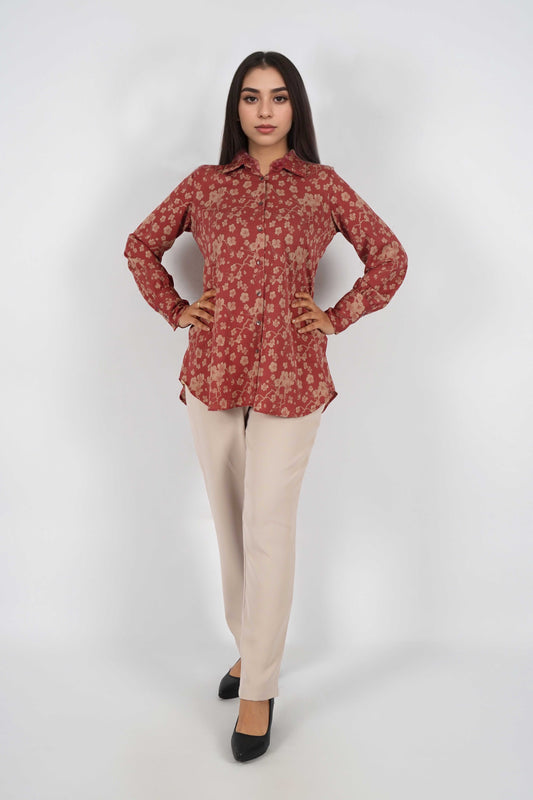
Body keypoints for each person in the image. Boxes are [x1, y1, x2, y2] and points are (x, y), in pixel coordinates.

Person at [123, 50, 407, 762]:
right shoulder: (204, 184)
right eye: (251, 97)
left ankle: (259, 690)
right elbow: (140, 246)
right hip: (214, 370)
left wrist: (337, 316)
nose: (265, 110)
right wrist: (177, 308)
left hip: (291, 375)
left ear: (295, 107)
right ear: (237, 108)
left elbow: (390, 257)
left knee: (267, 529)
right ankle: (251, 649)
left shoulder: (322, 186)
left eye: (278, 97)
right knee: (229, 526)